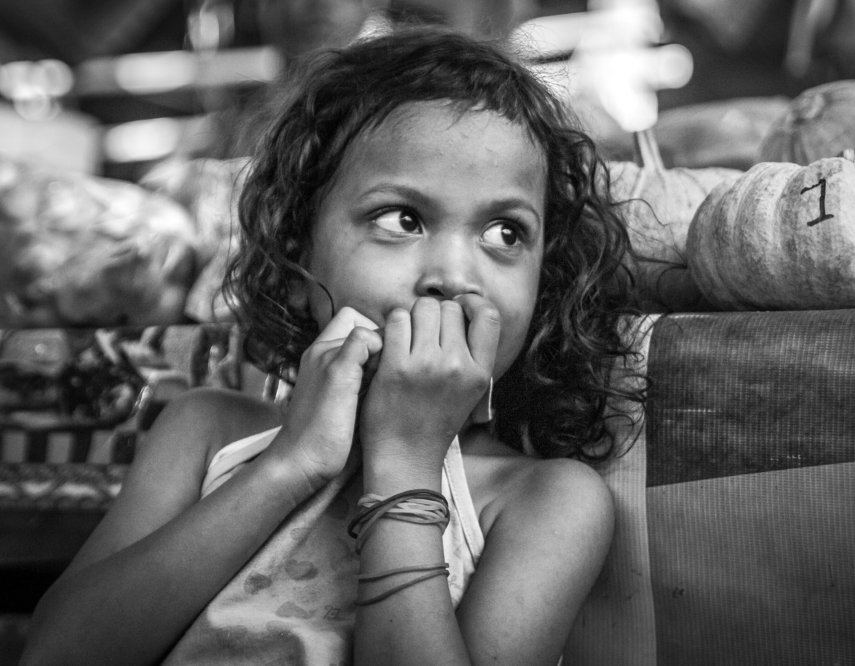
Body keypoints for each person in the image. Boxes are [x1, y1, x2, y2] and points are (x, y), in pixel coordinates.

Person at [23, 27, 644, 665]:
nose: (453, 275)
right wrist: (292, 463)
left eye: (505, 232)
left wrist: (406, 461)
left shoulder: (543, 501)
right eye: (403, 219)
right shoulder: (208, 434)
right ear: (296, 257)